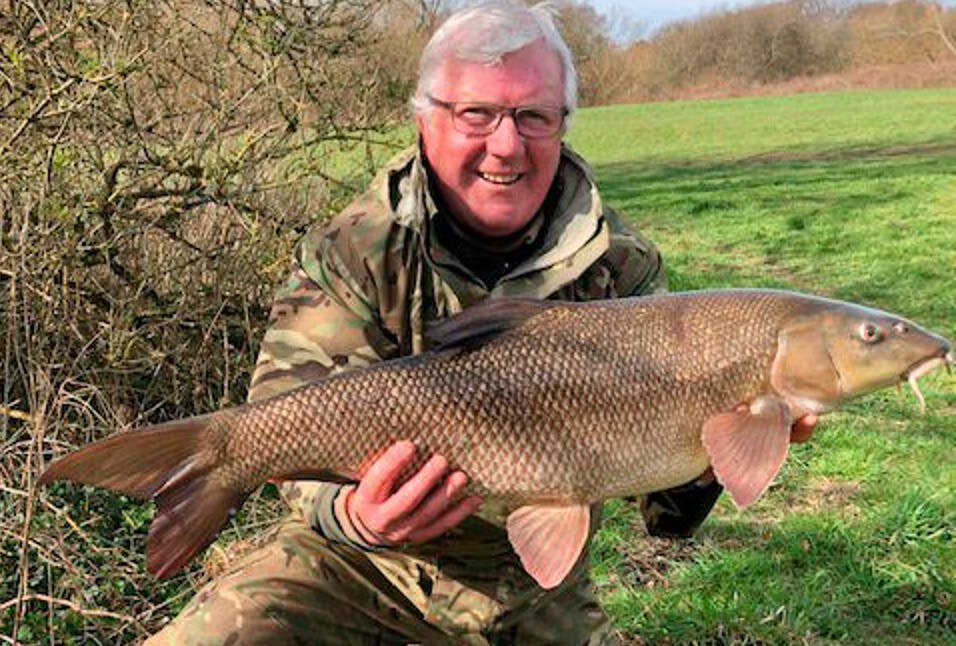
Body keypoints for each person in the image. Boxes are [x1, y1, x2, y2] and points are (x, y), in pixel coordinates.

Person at [146, 2, 816, 643]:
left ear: (563, 124)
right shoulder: (352, 250)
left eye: (533, 116)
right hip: (357, 568)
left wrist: (727, 447)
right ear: (425, 119)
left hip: (533, 585)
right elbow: (287, 415)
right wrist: (353, 516)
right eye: (477, 114)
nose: (506, 146)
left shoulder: (620, 266)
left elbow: (665, 516)